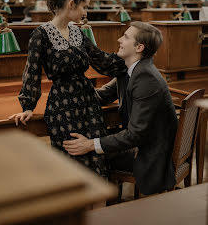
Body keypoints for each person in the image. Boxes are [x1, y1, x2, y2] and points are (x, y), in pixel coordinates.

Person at [9, 0, 126, 178]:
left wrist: (133, 59)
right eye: (84, 6)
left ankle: (99, 210)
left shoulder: (78, 32)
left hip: (89, 104)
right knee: (72, 168)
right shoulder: (41, 34)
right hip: (63, 109)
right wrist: (28, 106)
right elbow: (32, 71)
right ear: (71, 4)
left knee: (97, 167)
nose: (86, 12)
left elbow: (102, 61)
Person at [63, 21, 178, 195]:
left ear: (139, 47)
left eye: (125, 37)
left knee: (84, 153)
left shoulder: (146, 78)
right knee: (87, 145)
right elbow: (103, 95)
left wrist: (89, 144)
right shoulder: (131, 70)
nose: (119, 39)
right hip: (143, 144)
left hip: (150, 156)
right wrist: (72, 88)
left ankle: (96, 211)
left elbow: (134, 135)